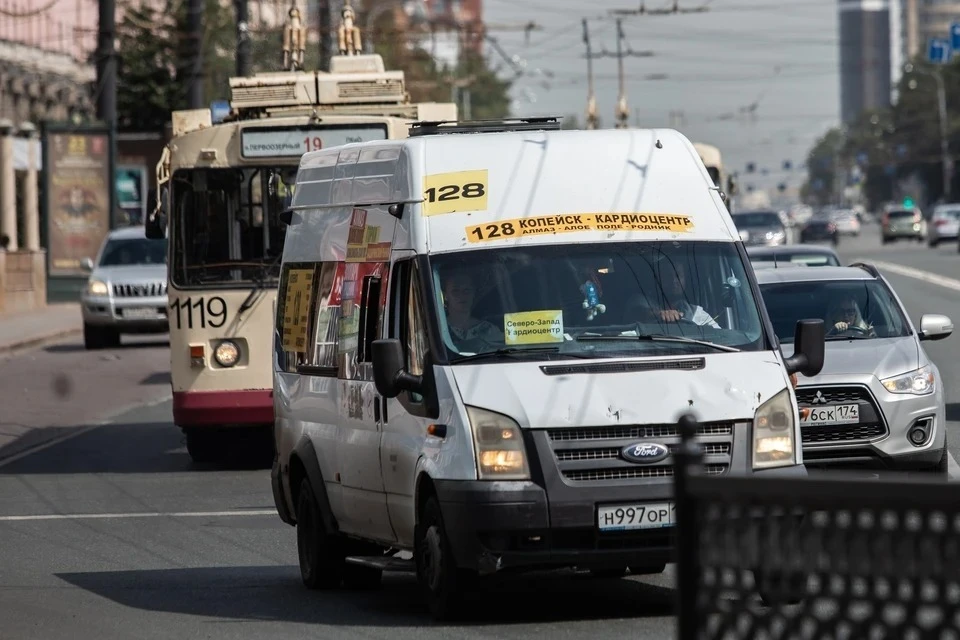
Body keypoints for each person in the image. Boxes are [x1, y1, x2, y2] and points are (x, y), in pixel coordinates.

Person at [441, 268, 502, 352]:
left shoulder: (490, 330)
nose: (462, 295)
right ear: (446, 296)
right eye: (455, 291)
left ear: (474, 293)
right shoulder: (439, 330)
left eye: (467, 290)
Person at [655, 260, 720, 328]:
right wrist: (658, 314)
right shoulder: (646, 305)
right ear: (659, 279)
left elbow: (719, 335)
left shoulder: (697, 314)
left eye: (678, 276)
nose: (674, 281)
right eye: (668, 276)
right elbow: (644, 312)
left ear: (685, 280)